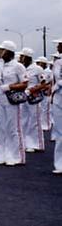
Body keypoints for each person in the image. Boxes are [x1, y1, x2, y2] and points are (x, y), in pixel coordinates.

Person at [0, 40, 28, 166]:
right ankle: (4, 155)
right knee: (2, 128)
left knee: (14, 128)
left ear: (8, 52)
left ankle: (16, 156)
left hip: (12, 99)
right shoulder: (0, 66)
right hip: (0, 99)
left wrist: (9, 86)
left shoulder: (18, 66)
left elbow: (24, 83)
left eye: (1, 50)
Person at [19, 48, 46, 153]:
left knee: (34, 121)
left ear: (26, 57)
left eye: (22, 57)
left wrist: (33, 89)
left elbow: (44, 83)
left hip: (33, 97)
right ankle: (26, 142)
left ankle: (35, 144)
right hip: (23, 97)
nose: (20, 59)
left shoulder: (37, 69)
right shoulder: (22, 69)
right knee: (24, 120)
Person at [50, 39, 62, 174]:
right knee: (60, 132)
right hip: (59, 97)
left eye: (60, 44)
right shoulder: (58, 63)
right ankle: (60, 164)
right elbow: (56, 81)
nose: (58, 46)